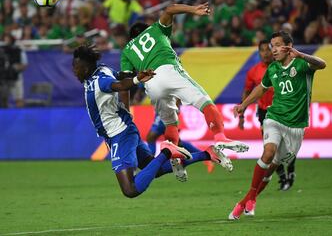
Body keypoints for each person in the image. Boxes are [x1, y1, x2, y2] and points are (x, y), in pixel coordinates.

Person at [72, 45, 238, 198]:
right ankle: (208, 154)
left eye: (76, 68)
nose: (74, 71)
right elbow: (120, 76)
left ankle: (168, 151)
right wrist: (130, 76)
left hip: (119, 134)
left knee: (130, 189)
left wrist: (136, 80)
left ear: (85, 68)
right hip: (124, 130)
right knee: (155, 169)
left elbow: (120, 85)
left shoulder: (99, 82)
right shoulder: (103, 70)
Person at [120, 3, 248, 156]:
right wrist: (194, 10)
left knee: (170, 123)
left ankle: (174, 156)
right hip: (168, 69)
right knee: (204, 100)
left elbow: (124, 85)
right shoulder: (156, 29)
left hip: (151, 84)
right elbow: (169, 9)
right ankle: (220, 137)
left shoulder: (126, 51)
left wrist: (126, 111)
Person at [229, 31, 326, 219]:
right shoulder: (272, 69)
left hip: (296, 126)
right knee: (268, 152)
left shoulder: (302, 64)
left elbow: (322, 64)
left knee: (272, 166)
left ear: (288, 46)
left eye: (277, 45)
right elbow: (261, 88)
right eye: (271, 45)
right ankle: (251, 198)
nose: (273, 50)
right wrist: (243, 105)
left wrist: (301, 54)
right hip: (274, 117)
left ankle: (247, 201)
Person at [239, 40, 296, 191]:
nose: (265, 53)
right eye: (262, 50)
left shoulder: (282, 67)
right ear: (258, 53)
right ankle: (282, 177)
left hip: (284, 110)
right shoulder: (253, 71)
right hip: (265, 112)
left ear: (273, 51)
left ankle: (290, 173)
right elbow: (247, 91)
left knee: (288, 145)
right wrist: (242, 114)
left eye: (268, 49)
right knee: (269, 148)